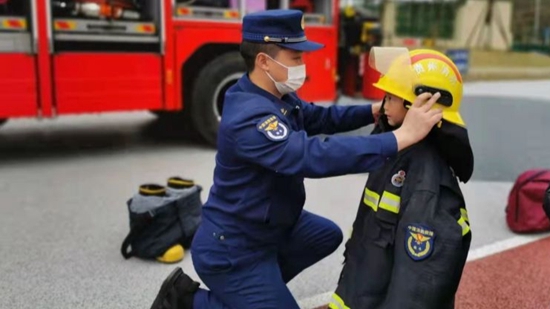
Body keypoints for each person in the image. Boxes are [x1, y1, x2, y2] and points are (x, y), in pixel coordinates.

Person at [149, 10, 443, 309]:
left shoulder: (274, 96)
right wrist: (400, 138)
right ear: (264, 61)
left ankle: (260, 290)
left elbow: (320, 117)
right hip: (233, 250)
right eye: (295, 57)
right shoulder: (248, 116)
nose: (303, 64)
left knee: (325, 235)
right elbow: (310, 156)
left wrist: (372, 112)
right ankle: (187, 301)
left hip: (268, 228)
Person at [328, 47, 475, 309]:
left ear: (420, 104)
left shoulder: (425, 178)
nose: (383, 105)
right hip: (361, 290)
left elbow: (416, 285)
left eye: (391, 97)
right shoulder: (395, 150)